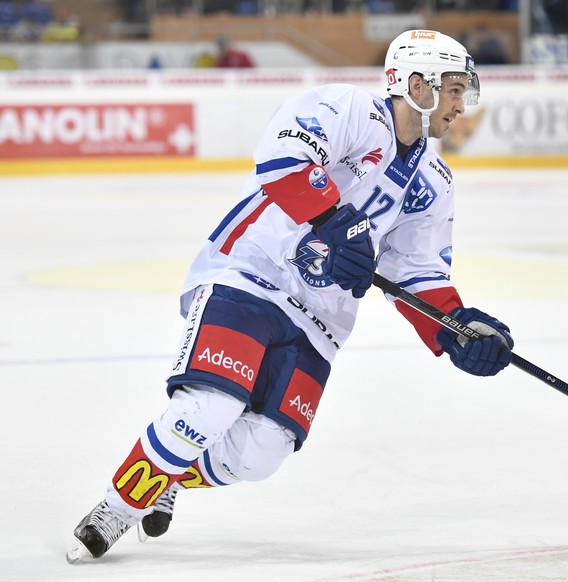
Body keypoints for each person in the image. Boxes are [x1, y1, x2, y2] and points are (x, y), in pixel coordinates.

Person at [67, 29, 514, 562]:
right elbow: (284, 159)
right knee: (210, 407)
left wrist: (457, 329)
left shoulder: (435, 182)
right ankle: (117, 507)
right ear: (417, 84)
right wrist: (336, 222)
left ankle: (169, 480)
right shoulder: (348, 108)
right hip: (252, 273)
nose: (462, 105)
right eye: (455, 90)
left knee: (263, 452)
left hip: (320, 317)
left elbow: (416, 272)